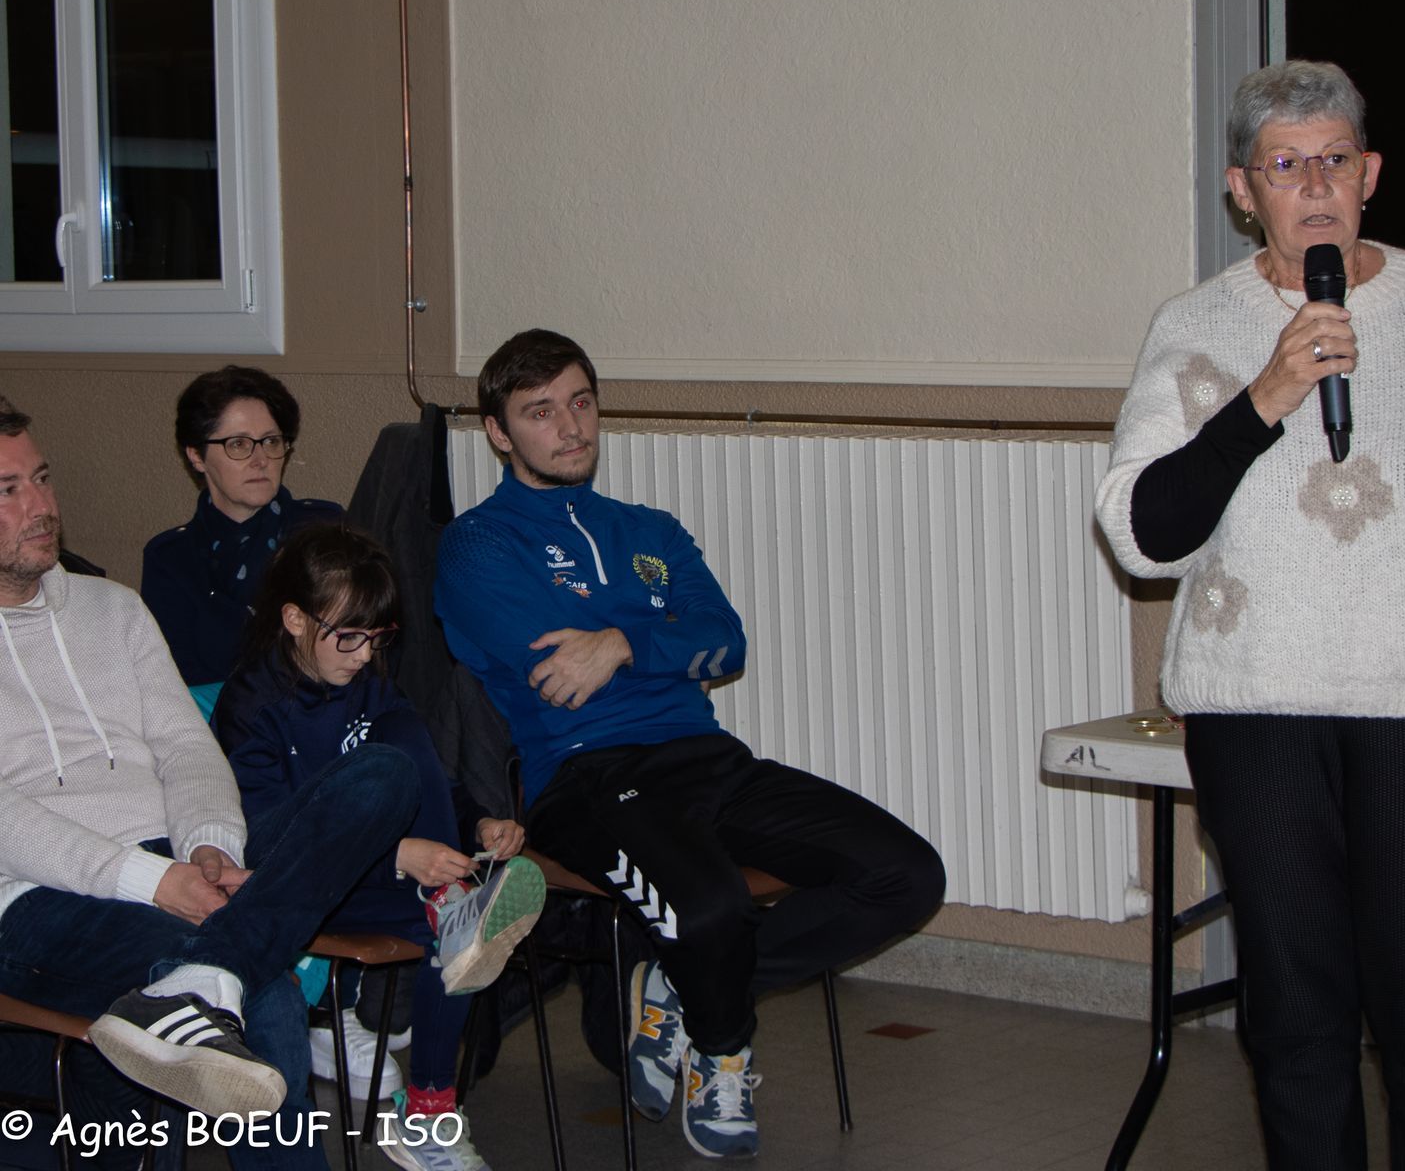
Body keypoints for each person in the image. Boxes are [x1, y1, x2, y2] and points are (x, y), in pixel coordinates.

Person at [1094, 61, 1405, 1170]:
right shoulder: (1195, 327)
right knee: (1298, 1025)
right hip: (1258, 716)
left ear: (1370, 175)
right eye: (1285, 164)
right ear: (1242, 190)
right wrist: (1264, 397)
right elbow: (1141, 533)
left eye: (1335, 160)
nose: (1314, 185)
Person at [434, 329, 946, 1160]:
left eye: (580, 402)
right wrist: (655, 639)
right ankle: (722, 1048)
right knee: (712, 909)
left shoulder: (651, 532)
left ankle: (684, 986)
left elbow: (726, 642)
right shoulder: (478, 544)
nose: (570, 426)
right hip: (587, 776)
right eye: (540, 412)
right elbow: (555, 669)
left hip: (706, 758)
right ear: (498, 432)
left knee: (907, 874)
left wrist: (621, 644)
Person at [0, 394, 417, 1166]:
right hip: (32, 900)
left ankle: (201, 977)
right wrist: (157, 881)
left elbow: (185, 746)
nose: (42, 506)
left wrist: (209, 849)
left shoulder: (112, 609)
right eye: (9, 490)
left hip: (173, 854)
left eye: (43, 478)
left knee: (383, 775)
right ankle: (213, 973)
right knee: (261, 988)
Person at [215, 523, 545, 1171]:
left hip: (386, 879)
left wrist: (479, 823)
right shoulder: (253, 705)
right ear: (294, 619)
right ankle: (450, 906)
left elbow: (434, 781)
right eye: (349, 637)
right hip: (298, 883)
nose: (365, 655)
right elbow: (265, 842)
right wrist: (396, 855)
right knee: (453, 922)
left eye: (377, 636)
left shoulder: (369, 686)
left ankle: (428, 1111)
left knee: (457, 928)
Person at [142, 365, 342, 705]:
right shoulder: (171, 558)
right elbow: (174, 688)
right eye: (238, 444)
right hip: (214, 727)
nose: (260, 459)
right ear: (197, 456)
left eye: (271, 441)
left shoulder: (324, 529)